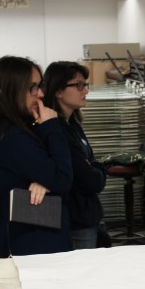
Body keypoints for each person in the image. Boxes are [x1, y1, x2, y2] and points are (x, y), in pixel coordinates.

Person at [0, 56, 73, 257]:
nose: (40, 94)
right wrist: (52, 127)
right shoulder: (11, 137)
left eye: (40, 86)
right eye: (32, 88)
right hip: (30, 247)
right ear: (6, 90)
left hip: (33, 242)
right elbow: (62, 177)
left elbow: (54, 173)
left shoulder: (15, 129)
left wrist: (45, 181)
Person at [42, 61, 107, 249]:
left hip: (86, 216)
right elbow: (89, 180)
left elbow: (92, 166)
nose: (85, 90)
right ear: (58, 91)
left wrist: (95, 166)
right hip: (75, 221)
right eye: (79, 85)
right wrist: (96, 168)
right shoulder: (57, 131)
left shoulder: (73, 125)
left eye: (85, 85)